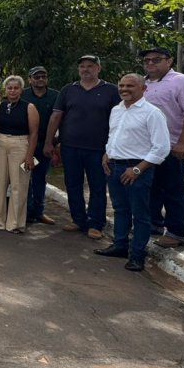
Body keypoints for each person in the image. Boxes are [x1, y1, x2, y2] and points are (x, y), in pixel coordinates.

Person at [94, 74, 171, 272]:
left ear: (143, 89)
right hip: (114, 166)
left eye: (130, 86)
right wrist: (107, 154)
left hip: (136, 170)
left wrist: (138, 169)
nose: (124, 89)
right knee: (120, 209)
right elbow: (114, 136)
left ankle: (137, 254)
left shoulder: (152, 113)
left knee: (140, 214)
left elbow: (161, 147)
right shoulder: (116, 110)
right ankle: (120, 245)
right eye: (122, 85)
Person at [43, 56, 120, 240]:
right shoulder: (68, 90)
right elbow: (56, 116)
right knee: (72, 184)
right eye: (82, 66)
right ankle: (78, 219)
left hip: (99, 149)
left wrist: (112, 148)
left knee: (97, 186)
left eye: (90, 66)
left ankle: (95, 224)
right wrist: (49, 142)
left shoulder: (111, 91)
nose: (86, 69)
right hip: (70, 147)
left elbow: (119, 120)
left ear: (98, 68)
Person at [140, 47, 184, 248]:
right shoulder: (141, 83)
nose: (150, 63)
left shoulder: (183, 82)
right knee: (150, 188)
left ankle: (177, 232)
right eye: (147, 60)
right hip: (144, 148)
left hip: (169, 146)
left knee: (173, 190)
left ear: (169, 61)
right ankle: (153, 224)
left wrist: (183, 143)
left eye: (156, 59)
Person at [0, 76, 39, 233]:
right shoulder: (0, 106)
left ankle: (16, 224)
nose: (12, 91)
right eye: (9, 88)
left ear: (21, 89)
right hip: (0, 142)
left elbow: (34, 133)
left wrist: (30, 155)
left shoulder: (29, 107)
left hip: (21, 143)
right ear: (5, 89)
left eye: (16, 88)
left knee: (19, 184)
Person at [22, 67, 59, 225]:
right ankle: (26, 211)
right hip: (25, 144)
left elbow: (60, 119)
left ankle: (40, 211)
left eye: (43, 76)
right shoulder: (22, 94)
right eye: (36, 77)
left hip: (45, 144)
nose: (40, 79)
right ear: (29, 79)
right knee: (25, 177)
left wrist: (55, 143)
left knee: (40, 178)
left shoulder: (55, 96)